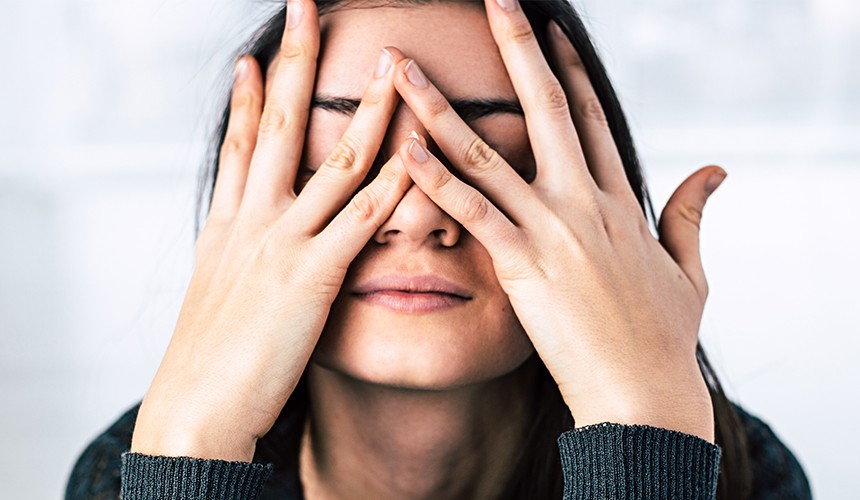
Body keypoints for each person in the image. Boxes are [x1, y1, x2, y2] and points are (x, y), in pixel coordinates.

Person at [65, 0, 812, 498]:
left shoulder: (739, 475)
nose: (419, 215)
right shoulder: (124, 470)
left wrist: (646, 427)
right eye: (349, 151)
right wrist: (191, 449)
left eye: (483, 142)